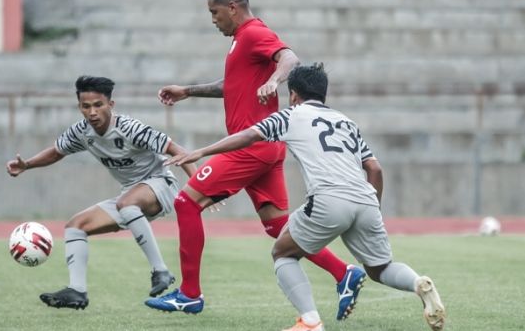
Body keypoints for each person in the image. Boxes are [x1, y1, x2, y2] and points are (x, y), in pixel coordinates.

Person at [166, 63, 446, 331]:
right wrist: (374, 206)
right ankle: (417, 283)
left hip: (329, 200)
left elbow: (249, 136)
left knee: (282, 253)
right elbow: (374, 167)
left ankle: (310, 321)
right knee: (380, 268)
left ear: (294, 95)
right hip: (365, 199)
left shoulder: (293, 115)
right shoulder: (346, 121)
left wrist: (202, 152)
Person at [146, 0, 364, 319]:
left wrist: (274, 81)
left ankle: (189, 294)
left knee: (186, 202)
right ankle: (344, 273)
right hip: (266, 149)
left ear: (233, 7)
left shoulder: (253, 33)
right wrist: (187, 90)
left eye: (215, 12)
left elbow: (289, 57)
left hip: (252, 147)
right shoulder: (239, 42)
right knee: (278, 227)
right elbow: (230, 86)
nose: (213, 19)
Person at [6, 76, 196, 310]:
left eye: (98, 105)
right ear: (80, 108)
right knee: (76, 226)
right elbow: (56, 152)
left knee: (127, 204)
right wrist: (27, 165)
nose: (92, 112)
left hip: (161, 184)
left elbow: (177, 150)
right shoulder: (81, 132)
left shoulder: (129, 128)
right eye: (86, 106)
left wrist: (198, 185)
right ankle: (77, 291)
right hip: (130, 198)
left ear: (111, 105)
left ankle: (161, 271)